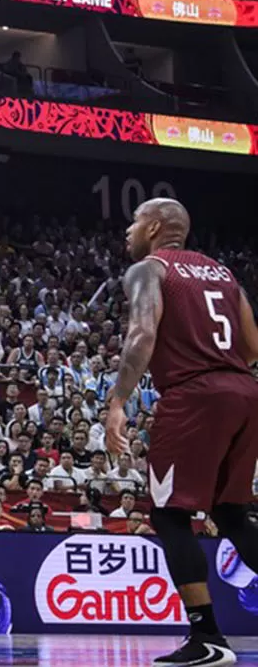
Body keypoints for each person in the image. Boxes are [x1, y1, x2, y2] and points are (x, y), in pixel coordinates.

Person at [105, 198, 258, 667]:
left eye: (133, 222)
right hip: (245, 391)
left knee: (170, 514)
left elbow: (141, 334)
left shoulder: (148, 269)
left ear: (154, 227)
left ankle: (208, 638)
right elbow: (253, 346)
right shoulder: (222, 273)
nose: (127, 231)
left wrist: (117, 402)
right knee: (231, 513)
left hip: (195, 395)